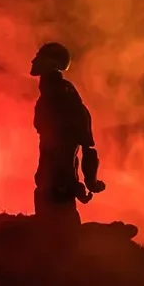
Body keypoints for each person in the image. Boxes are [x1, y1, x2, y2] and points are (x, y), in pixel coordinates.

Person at [30, 42, 105, 229]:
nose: (34, 61)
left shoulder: (60, 96)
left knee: (58, 228)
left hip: (58, 185)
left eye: (42, 57)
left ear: (54, 64)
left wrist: (80, 184)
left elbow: (69, 148)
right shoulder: (54, 94)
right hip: (54, 181)